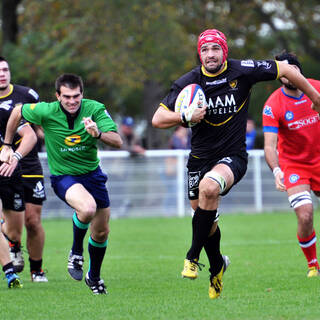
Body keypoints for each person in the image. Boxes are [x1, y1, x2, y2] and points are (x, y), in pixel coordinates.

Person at [152, 29, 320, 299]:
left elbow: (288, 69)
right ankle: (217, 265)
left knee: (209, 188)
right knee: (204, 218)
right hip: (199, 158)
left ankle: (192, 257)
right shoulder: (190, 81)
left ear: (224, 51)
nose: (210, 55)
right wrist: (185, 114)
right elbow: (158, 119)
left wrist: (315, 97)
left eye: (215, 49)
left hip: (233, 157)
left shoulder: (243, 70)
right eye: (205, 50)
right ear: (199, 53)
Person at [0, 73, 123, 295]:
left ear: (82, 94)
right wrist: (7, 145)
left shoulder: (94, 108)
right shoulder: (47, 111)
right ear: (58, 96)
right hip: (64, 177)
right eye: (66, 97)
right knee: (87, 208)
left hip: (93, 175)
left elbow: (118, 140)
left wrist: (98, 133)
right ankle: (76, 252)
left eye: (76, 96)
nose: (72, 101)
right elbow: (17, 111)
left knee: (102, 232)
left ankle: (93, 277)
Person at [263, 51, 320, 277]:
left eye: (291, 69)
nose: (288, 74)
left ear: (299, 70)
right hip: (295, 166)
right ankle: (313, 265)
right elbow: (269, 146)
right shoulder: (273, 104)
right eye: (283, 71)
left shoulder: (317, 89)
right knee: (305, 214)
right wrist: (277, 171)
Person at [0, 56, 48, 282]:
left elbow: (40, 127)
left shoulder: (26, 95)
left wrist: (42, 135)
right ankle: (13, 246)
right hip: (5, 167)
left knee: (33, 220)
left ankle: (36, 271)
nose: (2, 74)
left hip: (28, 163)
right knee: (12, 223)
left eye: (5, 69)